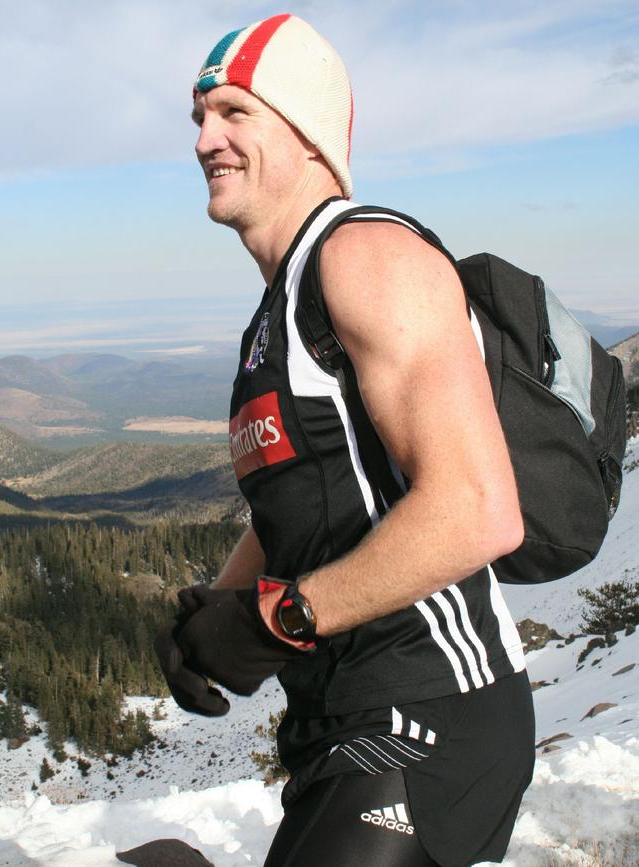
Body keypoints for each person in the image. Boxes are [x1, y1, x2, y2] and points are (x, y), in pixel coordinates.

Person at [155, 13, 535, 867]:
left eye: (233, 112)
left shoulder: (365, 256)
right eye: (198, 117)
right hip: (340, 713)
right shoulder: (279, 306)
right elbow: (311, 489)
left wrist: (281, 617)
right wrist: (215, 616)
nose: (204, 138)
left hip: (431, 708)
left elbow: (478, 510)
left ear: (307, 130)